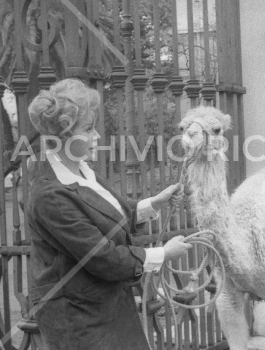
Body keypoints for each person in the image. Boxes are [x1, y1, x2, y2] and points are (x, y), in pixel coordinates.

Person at [26, 78, 192, 350]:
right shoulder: (50, 195)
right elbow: (102, 257)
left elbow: (110, 214)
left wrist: (155, 203)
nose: (97, 137)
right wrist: (163, 254)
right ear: (65, 137)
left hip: (107, 304)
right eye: (89, 129)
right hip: (76, 316)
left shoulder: (83, 171)